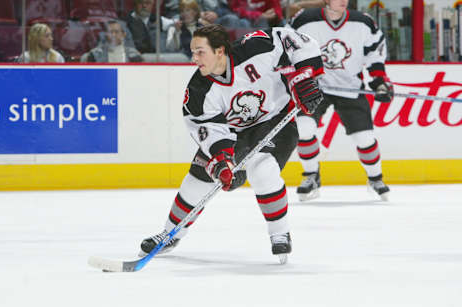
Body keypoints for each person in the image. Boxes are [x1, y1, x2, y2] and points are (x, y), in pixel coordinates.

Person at [139, 24, 324, 263]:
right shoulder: (198, 90)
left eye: (200, 52)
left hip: (276, 120)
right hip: (234, 132)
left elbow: (295, 39)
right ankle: (170, 234)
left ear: (219, 51)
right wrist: (221, 163)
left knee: (262, 169)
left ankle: (280, 233)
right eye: (193, 52)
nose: (194, 58)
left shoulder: (256, 48)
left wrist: (303, 76)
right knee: (197, 180)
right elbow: (210, 130)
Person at [288, 0, 393, 201]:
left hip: (350, 87)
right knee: (304, 128)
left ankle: (375, 178)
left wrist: (379, 81)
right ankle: (311, 176)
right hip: (314, 87)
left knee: (364, 138)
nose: (344, 1)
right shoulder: (303, 20)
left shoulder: (363, 22)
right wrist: (296, 77)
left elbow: (374, 52)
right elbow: (287, 49)